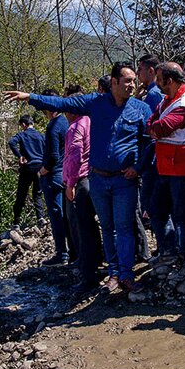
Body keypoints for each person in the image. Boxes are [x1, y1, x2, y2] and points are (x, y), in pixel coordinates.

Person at [3, 62, 152, 294]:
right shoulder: (95, 103)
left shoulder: (141, 109)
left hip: (125, 180)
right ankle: (113, 273)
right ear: (114, 82)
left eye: (134, 80)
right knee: (108, 228)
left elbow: (149, 142)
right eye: (127, 81)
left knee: (123, 228)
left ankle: (126, 274)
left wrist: (138, 167)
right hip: (98, 179)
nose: (132, 85)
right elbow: (62, 103)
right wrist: (29, 97)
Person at [147, 62, 185, 264]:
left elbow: (161, 128)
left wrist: (154, 127)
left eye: (159, 80)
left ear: (169, 81)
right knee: (157, 209)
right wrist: (154, 126)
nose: (157, 84)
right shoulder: (167, 101)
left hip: (183, 168)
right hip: (167, 166)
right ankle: (169, 250)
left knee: (183, 213)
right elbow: (152, 123)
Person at [63, 97, 102, 289]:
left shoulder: (75, 127)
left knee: (80, 226)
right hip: (94, 177)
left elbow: (75, 156)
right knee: (92, 225)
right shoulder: (91, 120)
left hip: (80, 180)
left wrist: (70, 183)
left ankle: (88, 273)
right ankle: (97, 260)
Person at [136, 54, 169, 259]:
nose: (137, 73)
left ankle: (166, 249)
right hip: (152, 158)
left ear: (150, 70)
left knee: (155, 206)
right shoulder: (149, 93)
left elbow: (151, 130)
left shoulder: (155, 95)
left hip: (153, 159)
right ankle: (163, 248)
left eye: (139, 69)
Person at [38, 89, 69, 266]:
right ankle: (70, 250)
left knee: (56, 215)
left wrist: (44, 170)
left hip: (53, 176)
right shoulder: (65, 122)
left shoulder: (53, 126)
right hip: (64, 175)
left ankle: (61, 253)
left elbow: (53, 156)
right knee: (65, 215)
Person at [8, 115, 47, 229]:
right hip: (40, 168)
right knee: (37, 194)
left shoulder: (22, 135)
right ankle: (41, 218)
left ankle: (16, 222)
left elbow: (11, 142)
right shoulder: (41, 136)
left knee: (21, 195)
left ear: (24, 124)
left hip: (27, 167)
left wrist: (19, 156)